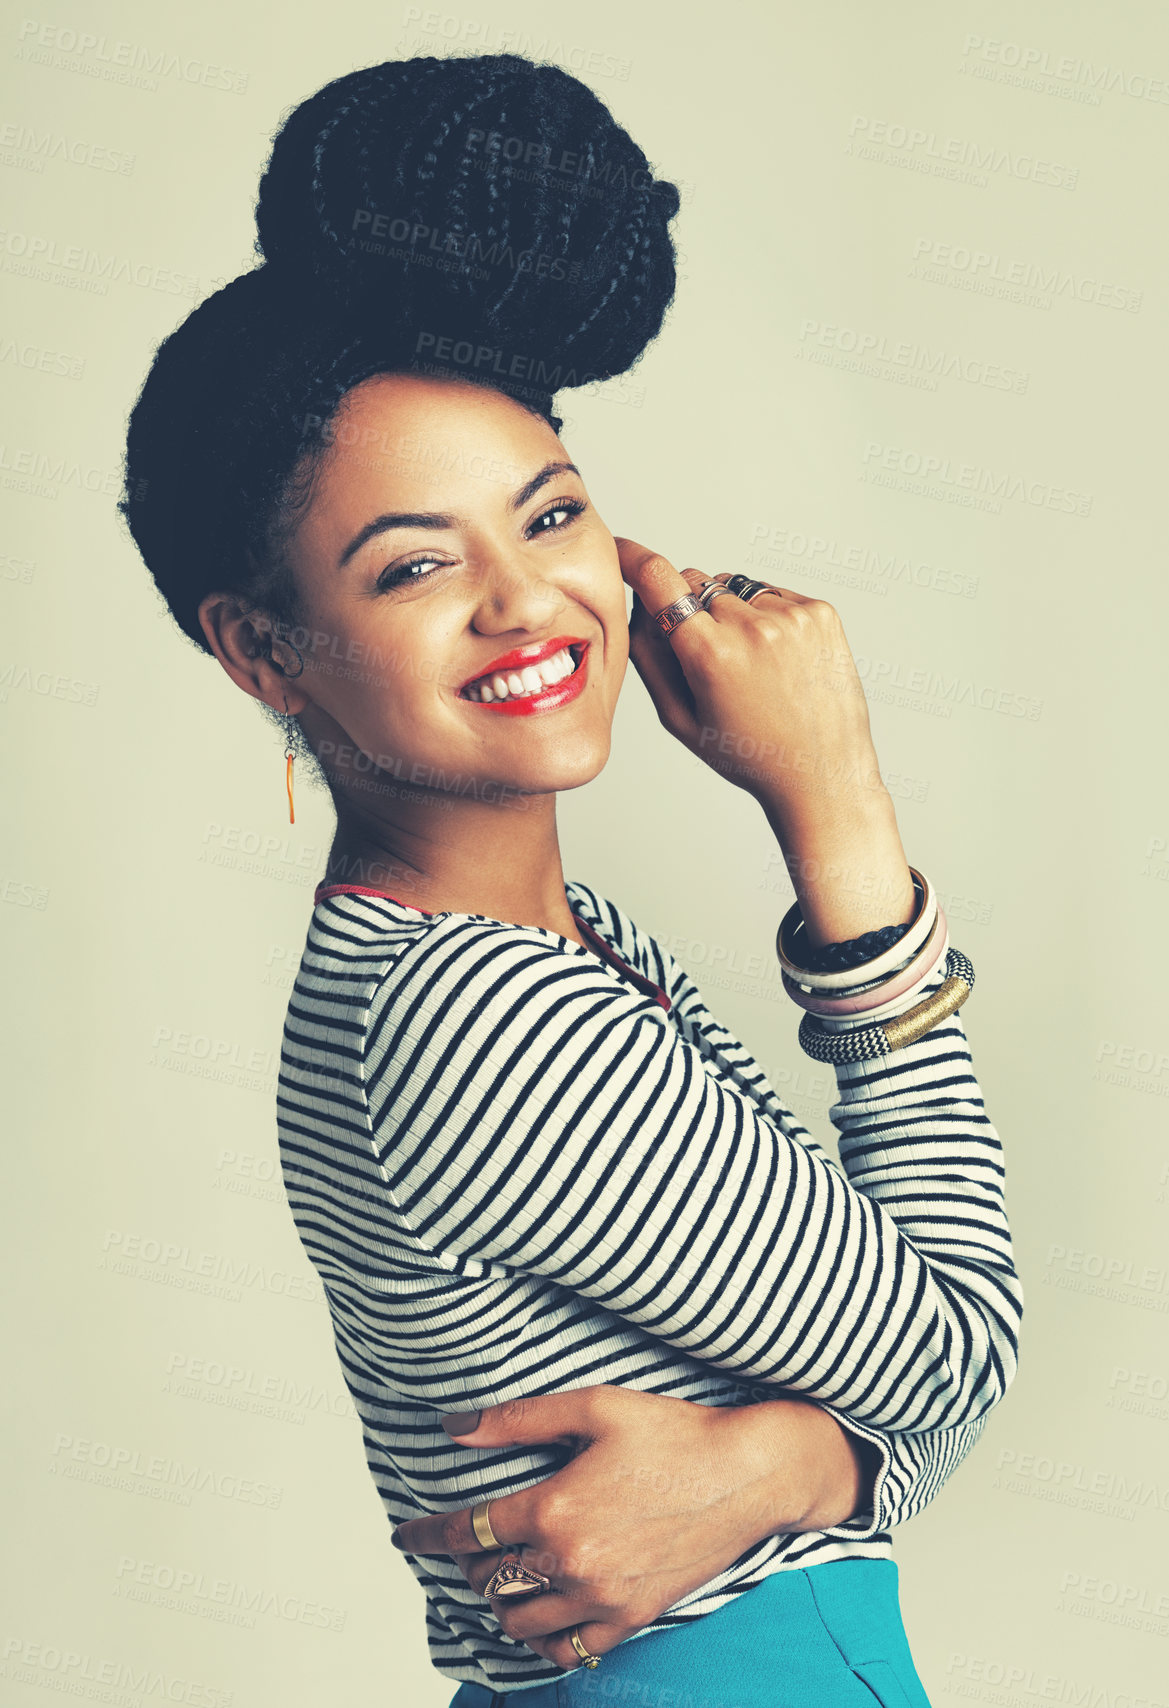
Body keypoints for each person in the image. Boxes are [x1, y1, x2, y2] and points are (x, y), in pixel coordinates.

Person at [118, 54, 1023, 1707]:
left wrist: (773, 1466)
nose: (525, 602)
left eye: (548, 515)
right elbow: (956, 1350)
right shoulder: (479, 1018)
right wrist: (838, 816)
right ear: (263, 650)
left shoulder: (516, 948)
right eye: (412, 564)